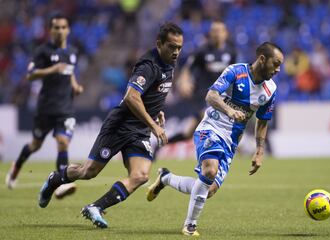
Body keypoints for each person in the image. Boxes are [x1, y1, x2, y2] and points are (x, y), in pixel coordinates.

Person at [38, 22, 184, 228]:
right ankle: (55, 179)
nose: (176, 51)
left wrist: (156, 111)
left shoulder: (170, 63)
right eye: (171, 46)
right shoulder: (148, 66)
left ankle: (95, 207)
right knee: (88, 172)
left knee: (141, 175)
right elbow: (131, 96)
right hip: (120, 125)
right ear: (159, 44)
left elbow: (151, 93)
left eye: (179, 47)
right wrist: (153, 124)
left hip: (139, 130)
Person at [147, 42, 284, 236]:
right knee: (210, 170)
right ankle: (190, 225)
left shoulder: (270, 90)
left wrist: (260, 151)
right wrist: (229, 110)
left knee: (207, 189)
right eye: (275, 63)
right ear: (262, 59)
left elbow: (263, 121)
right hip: (211, 128)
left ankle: (166, 178)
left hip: (231, 141)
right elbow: (211, 96)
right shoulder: (235, 72)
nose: (278, 69)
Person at [5, 13, 83, 200]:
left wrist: (75, 85)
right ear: (50, 30)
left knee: (63, 142)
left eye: (63, 27)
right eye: (56, 27)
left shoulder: (72, 52)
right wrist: (52, 69)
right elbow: (30, 75)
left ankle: (61, 183)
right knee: (35, 145)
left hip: (66, 108)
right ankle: (16, 166)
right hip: (46, 108)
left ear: (68, 30)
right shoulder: (43, 51)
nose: (60, 31)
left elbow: (70, 73)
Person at [154, 20, 237, 158]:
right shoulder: (202, 51)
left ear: (225, 33)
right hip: (203, 97)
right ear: (210, 33)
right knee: (211, 122)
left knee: (187, 134)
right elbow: (187, 68)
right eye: (214, 31)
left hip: (223, 97)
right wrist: (184, 81)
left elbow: (238, 74)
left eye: (220, 30)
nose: (217, 34)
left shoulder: (232, 53)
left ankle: (161, 143)